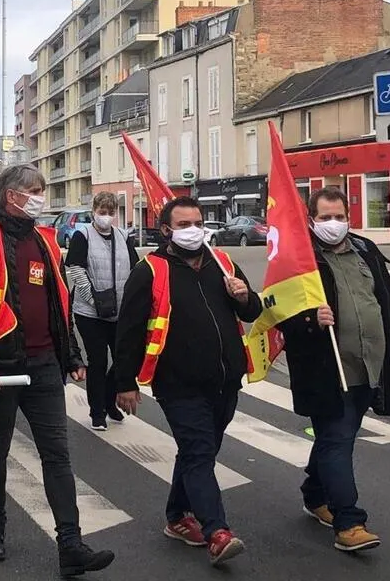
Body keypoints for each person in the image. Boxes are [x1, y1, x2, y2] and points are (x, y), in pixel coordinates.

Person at [0, 165, 114, 577]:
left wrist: (72, 355)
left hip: (44, 364)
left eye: (41, 190)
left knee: (57, 455)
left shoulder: (45, 239)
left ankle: (70, 545)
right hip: (0, 365)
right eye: (34, 191)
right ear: (12, 195)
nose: (40, 197)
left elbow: (58, 302)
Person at [115, 196, 262, 566]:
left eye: (197, 223)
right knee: (198, 451)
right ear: (166, 230)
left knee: (201, 451)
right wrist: (124, 382)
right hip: (177, 383)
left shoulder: (222, 262)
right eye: (183, 225)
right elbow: (128, 330)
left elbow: (251, 311)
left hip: (225, 379)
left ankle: (177, 516)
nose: (193, 230)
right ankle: (217, 532)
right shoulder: (150, 270)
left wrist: (244, 297)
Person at [280, 187, 390, 552]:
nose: (333, 224)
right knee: (337, 439)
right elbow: (277, 314)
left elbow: (384, 299)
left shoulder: (365, 249)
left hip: (371, 365)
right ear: (311, 220)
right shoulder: (300, 260)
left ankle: (314, 493)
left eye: (339, 217)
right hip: (327, 370)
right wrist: (309, 319)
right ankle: (349, 522)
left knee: (338, 437)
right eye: (325, 218)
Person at [64, 191, 137, 431]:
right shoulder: (82, 235)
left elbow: (135, 270)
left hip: (119, 311)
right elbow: (76, 270)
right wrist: (95, 301)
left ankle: (109, 399)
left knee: (122, 359)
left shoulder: (123, 237)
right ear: (94, 211)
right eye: (102, 212)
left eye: (110, 212)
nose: (106, 216)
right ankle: (97, 412)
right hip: (90, 313)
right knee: (98, 361)